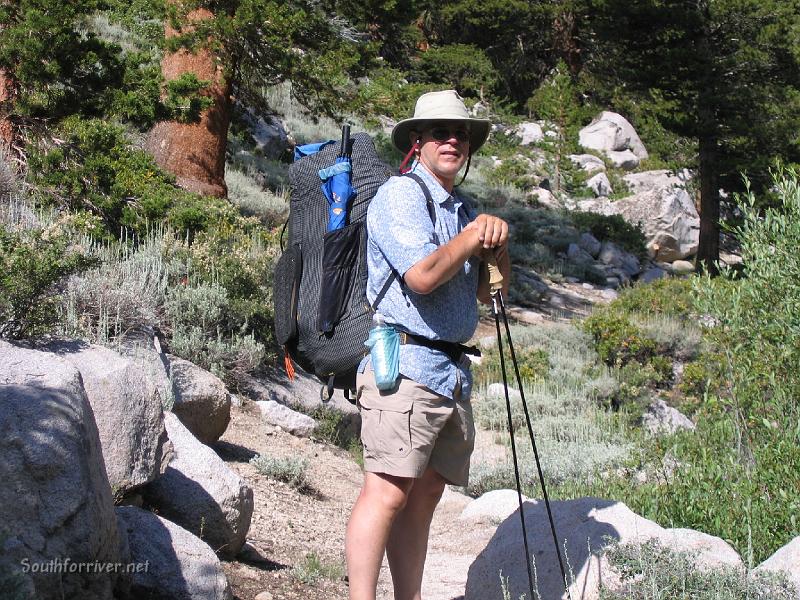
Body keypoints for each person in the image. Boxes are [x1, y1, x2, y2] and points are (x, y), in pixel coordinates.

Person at [344, 89, 511, 600]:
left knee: (426, 494)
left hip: (450, 372)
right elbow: (421, 276)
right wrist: (471, 238)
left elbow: (486, 292)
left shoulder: (461, 210)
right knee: (389, 489)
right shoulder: (400, 196)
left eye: (460, 133)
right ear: (417, 142)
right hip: (405, 365)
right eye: (440, 132)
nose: (452, 140)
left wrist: (501, 246)